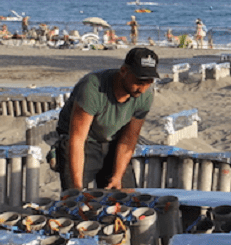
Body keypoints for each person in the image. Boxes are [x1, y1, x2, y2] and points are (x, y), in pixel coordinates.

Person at [54, 47, 159, 190]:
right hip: (82, 141)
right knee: (75, 199)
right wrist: (77, 189)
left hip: (114, 141)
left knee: (125, 195)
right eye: (139, 81)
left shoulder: (145, 95)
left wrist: (117, 176)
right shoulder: (92, 88)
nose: (143, 88)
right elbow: (77, 139)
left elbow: (129, 138)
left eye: (149, 82)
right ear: (123, 71)